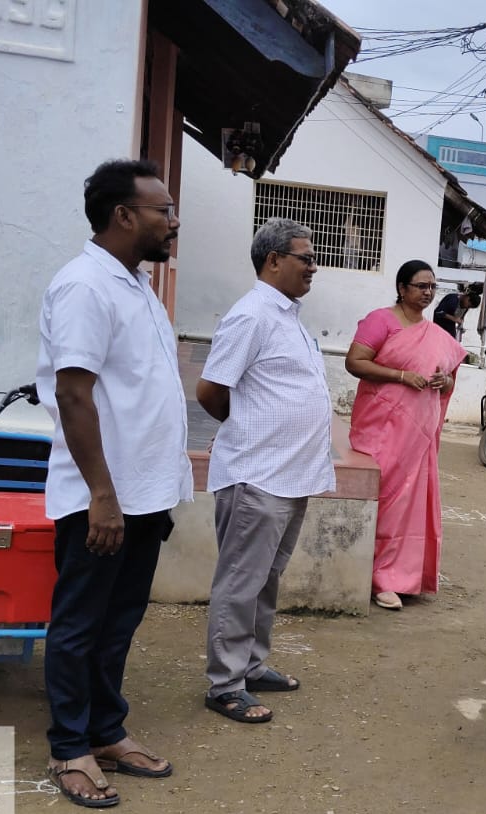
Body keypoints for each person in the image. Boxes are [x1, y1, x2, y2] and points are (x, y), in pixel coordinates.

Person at [37, 158, 193, 808]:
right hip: (101, 497)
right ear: (124, 215)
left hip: (144, 494)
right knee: (79, 625)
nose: (173, 221)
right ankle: (69, 747)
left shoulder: (137, 286)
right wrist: (102, 495)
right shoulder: (84, 286)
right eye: (164, 210)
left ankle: (105, 731)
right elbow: (74, 396)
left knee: (118, 622)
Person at [196, 218, 335, 725]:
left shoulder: (287, 316)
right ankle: (225, 685)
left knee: (266, 578)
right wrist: (244, 433)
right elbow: (211, 391)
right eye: (305, 258)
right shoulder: (252, 315)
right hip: (257, 473)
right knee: (241, 581)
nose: (313, 267)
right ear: (273, 260)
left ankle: (251, 666)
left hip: (290, 475)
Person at [346, 260, 468, 611]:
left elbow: (448, 378)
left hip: (418, 434)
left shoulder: (436, 334)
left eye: (432, 287)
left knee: (410, 502)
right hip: (382, 428)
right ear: (402, 288)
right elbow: (355, 362)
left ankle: (402, 576)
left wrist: (444, 381)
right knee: (386, 496)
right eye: (421, 286)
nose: (428, 292)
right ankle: (378, 577)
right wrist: (400, 376)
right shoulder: (381, 321)